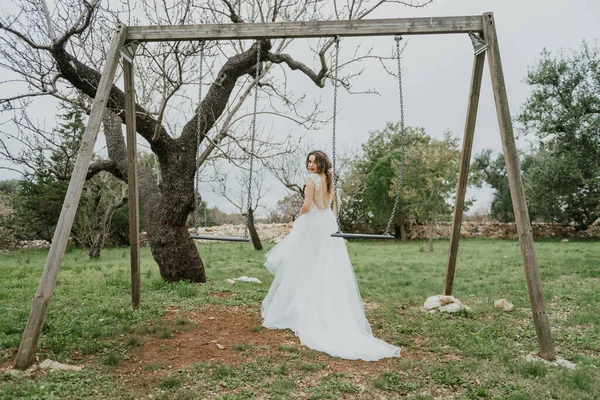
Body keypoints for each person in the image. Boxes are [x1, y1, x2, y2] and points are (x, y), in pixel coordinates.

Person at [261, 150, 401, 361]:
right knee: (328, 265)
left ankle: (305, 308)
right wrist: (329, 217)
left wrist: (297, 219)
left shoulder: (311, 181)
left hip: (315, 224)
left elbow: (307, 206)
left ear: (321, 163)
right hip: (328, 222)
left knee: (305, 265)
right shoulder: (330, 178)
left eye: (314, 162)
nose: (310, 165)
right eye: (308, 162)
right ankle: (321, 305)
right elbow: (337, 204)